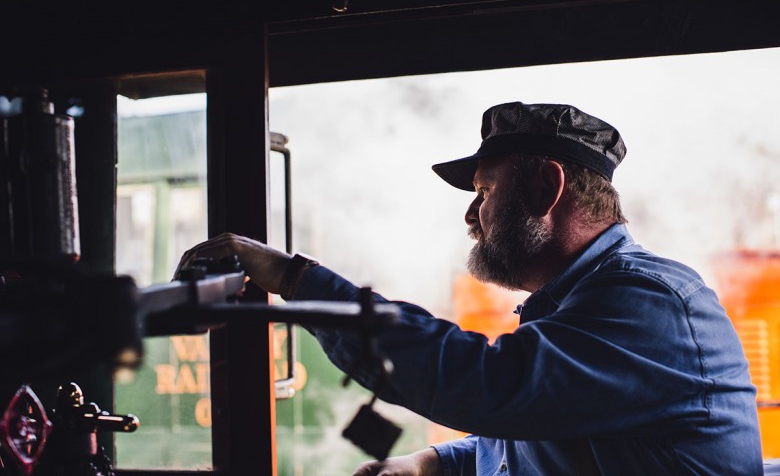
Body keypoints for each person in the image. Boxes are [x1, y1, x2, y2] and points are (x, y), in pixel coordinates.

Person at [176, 102, 762, 475]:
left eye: (484, 191)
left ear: (544, 188)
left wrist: (294, 279)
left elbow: (486, 384)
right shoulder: (577, 304)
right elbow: (537, 434)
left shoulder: (647, 303)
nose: (471, 216)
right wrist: (428, 464)